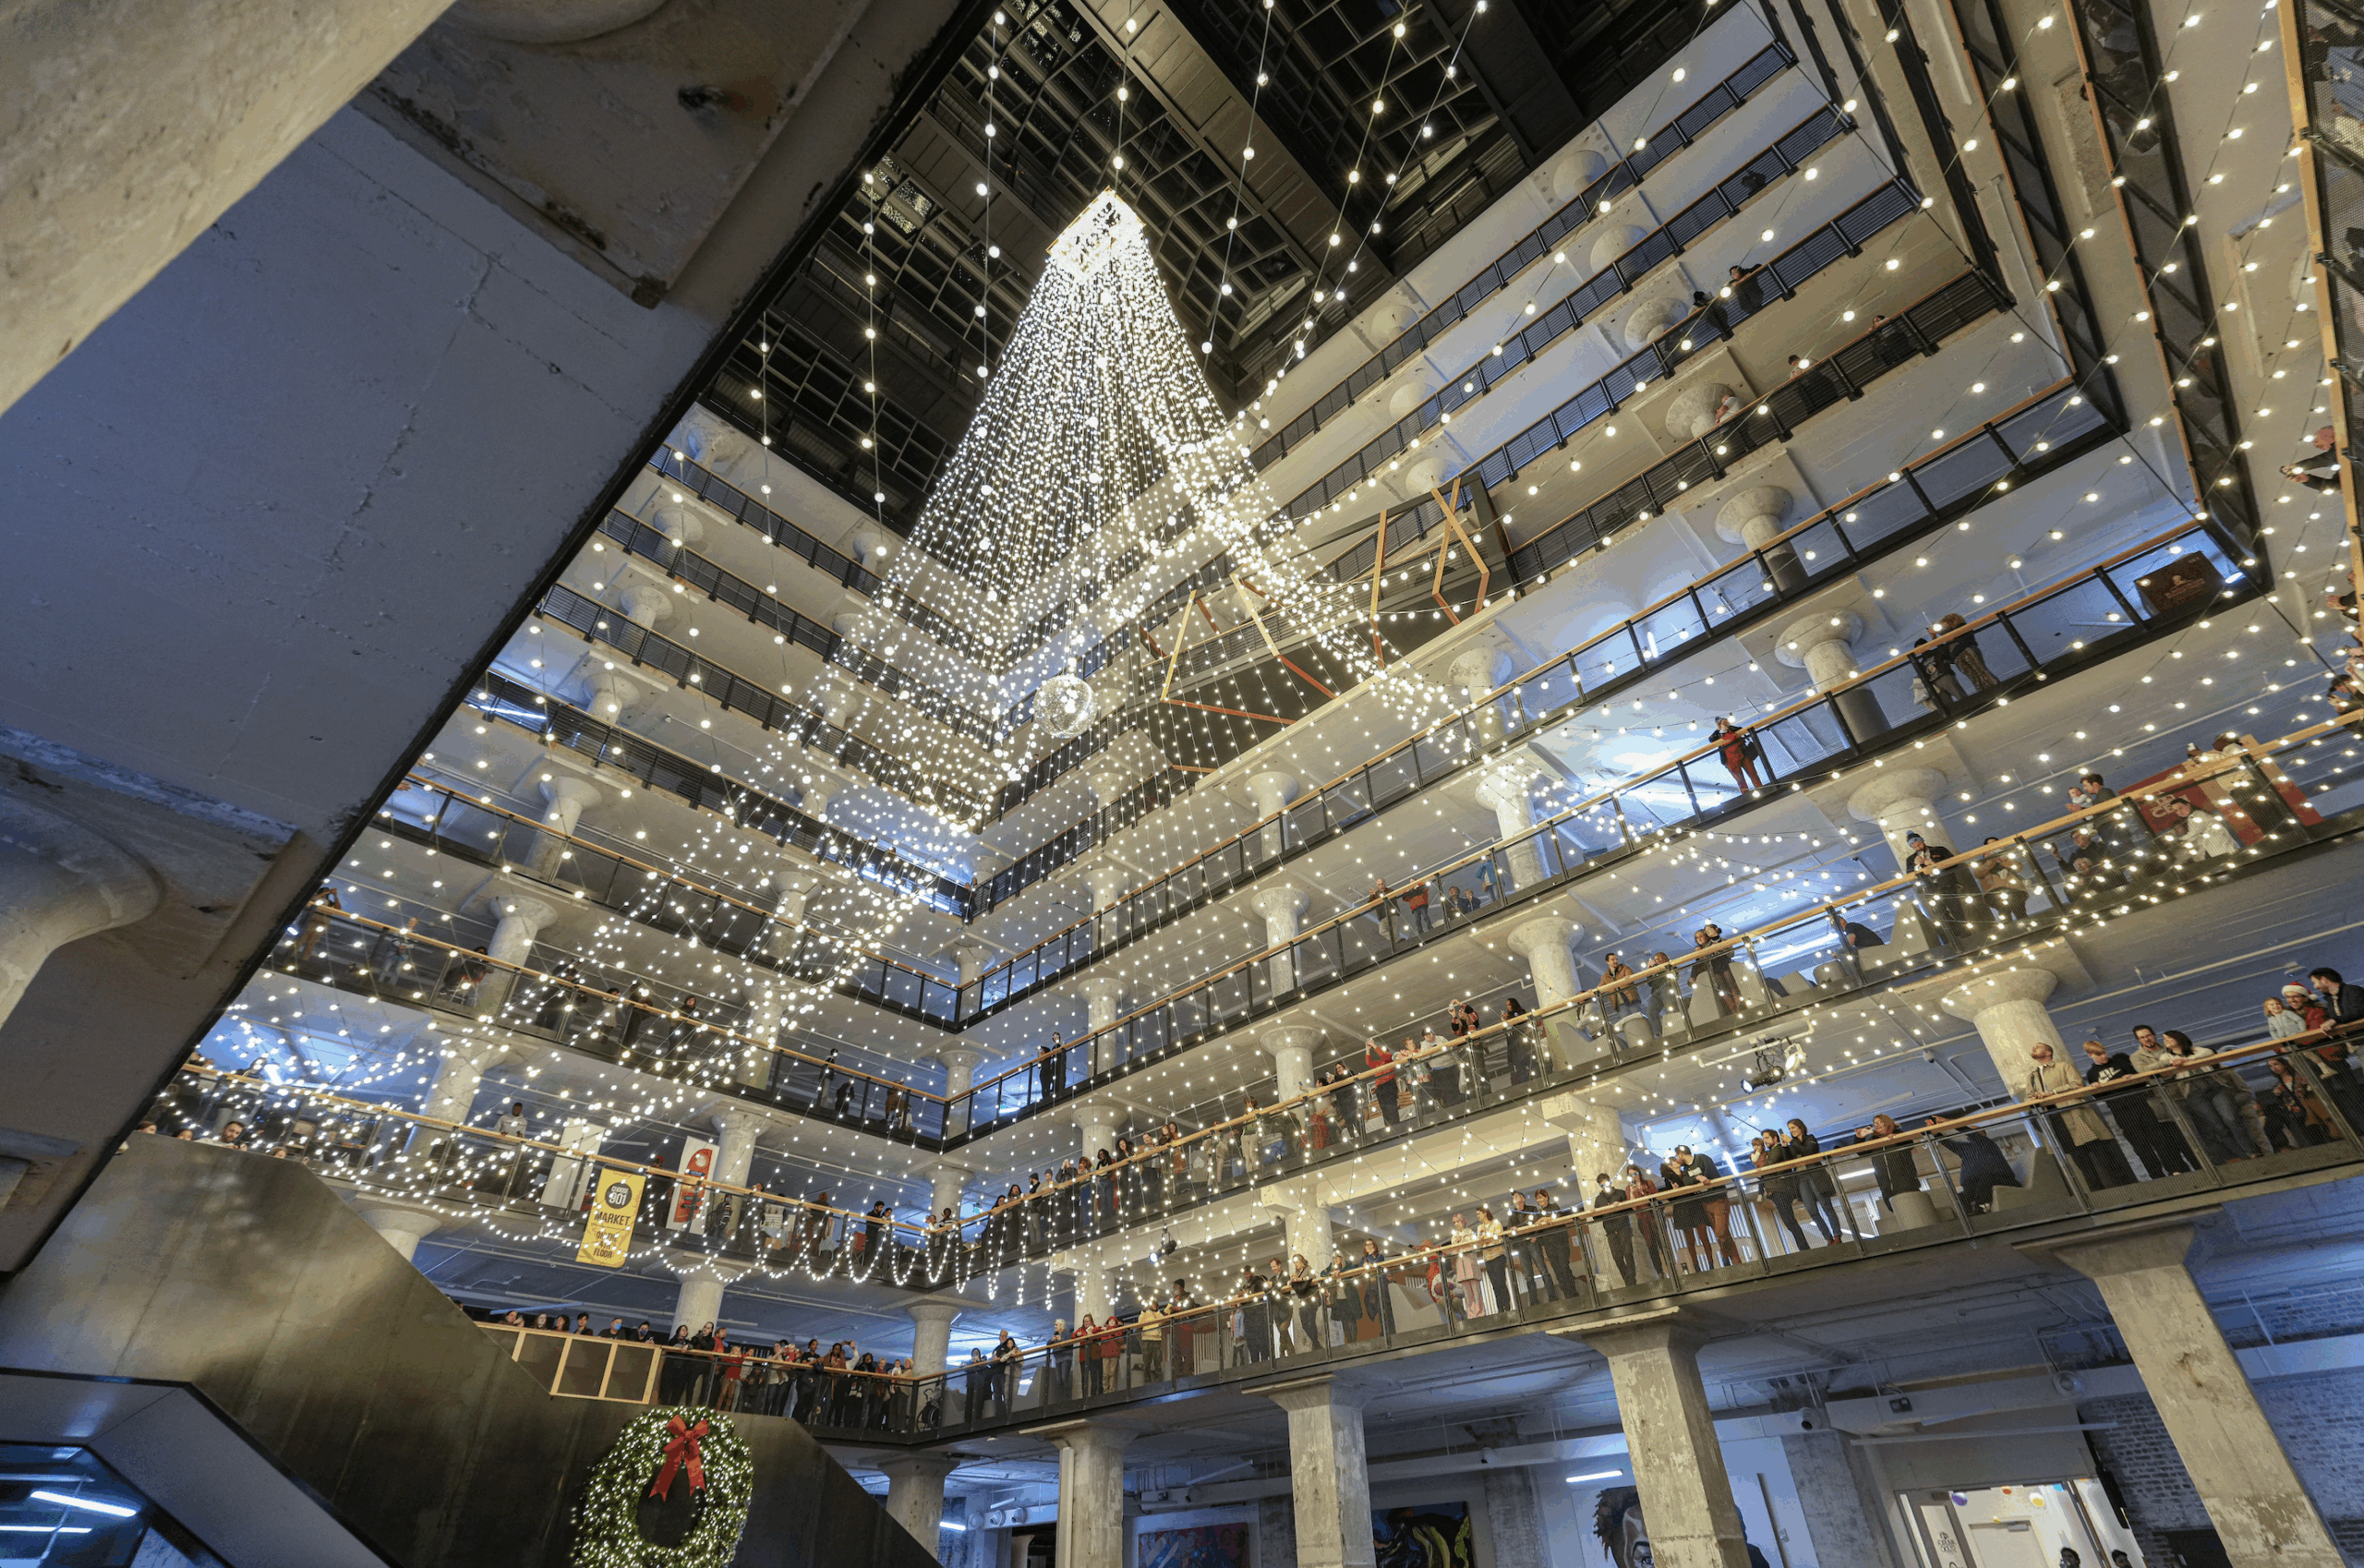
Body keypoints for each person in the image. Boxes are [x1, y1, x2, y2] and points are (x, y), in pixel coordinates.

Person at [2021, 1043, 2134, 1188]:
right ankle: (2097, 1192)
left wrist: (2053, 1093)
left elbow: (2077, 1084)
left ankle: (2123, 1186)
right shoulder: (2032, 1076)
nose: (2034, 1047)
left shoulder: (2063, 1066)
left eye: (2039, 1046)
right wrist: (2035, 1099)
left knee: (2100, 1152)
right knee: (2079, 1160)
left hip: (2075, 1114)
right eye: (2034, 1047)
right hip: (2055, 1119)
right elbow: (2028, 1099)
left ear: (2049, 1052)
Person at [2082, 1037, 2192, 1178]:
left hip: (2139, 1104)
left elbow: (2142, 1083)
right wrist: (2096, 1088)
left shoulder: (2121, 1063)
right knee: (2140, 1145)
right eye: (2098, 1055)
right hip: (2120, 1110)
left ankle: (2174, 1168)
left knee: (2157, 1137)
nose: (2103, 1056)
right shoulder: (2092, 1074)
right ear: (2090, 1055)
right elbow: (2100, 1097)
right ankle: (2156, 1174)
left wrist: (2132, 1079)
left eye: (2104, 1053)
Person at [2152, 1028, 2261, 1163]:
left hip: (2214, 1087)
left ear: (2178, 1038)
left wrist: (2189, 1060)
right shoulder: (2167, 1056)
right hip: (2193, 1092)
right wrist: (2172, 1062)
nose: (2166, 1041)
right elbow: (2161, 1066)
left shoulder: (2196, 1050)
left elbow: (2208, 1052)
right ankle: (2242, 1155)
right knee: (2218, 1126)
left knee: (2231, 1119)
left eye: (2169, 1038)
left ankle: (2252, 1151)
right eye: (2164, 1039)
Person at [1928, 1117, 2020, 1214]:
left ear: (1983, 1135)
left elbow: (1973, 1135)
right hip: (1974, 1185)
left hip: (2000, 1180)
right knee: (1960, 1197)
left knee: (1985, 1180)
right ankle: (1968, 1216)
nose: (1971, 1134)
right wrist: (1935, 1134)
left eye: (1975, 1132)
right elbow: (1949, 1144)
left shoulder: (1988, 1144)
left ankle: (1981, 1209)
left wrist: (1952, 1123)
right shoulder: (1966, 1149)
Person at [1754, 1131, 1812, 1252]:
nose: (1765, 1141)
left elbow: (1768, 1166)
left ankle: (1804, 1248)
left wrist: (1760, 1172)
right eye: (1764, 1139)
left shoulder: (1777, 1150)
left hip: (1780, 1188)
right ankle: (1804, 1248)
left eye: (1767, 1138)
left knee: (1789, 1220)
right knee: (1789, 1221)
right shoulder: (1772, 1152)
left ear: (1775, 1138)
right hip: (1777, 1188)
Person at [1934, 612, 1999, 690]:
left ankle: (1996, 687)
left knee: (1980, 670)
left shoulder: (1962, 626)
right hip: (1957, 657)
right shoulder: (1947, 639)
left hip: (1966, 650)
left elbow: (1958, 633)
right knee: (1973, 676)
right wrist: (1934, 637)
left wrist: (1943, 631)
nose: (1944, 626)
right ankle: (1984, 691)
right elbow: (1943, 650)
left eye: (1944, 623)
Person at [1827, 907, 1885, 986]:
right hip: (1874, 947)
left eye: (1836, 926)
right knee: (1846, 953)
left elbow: (1850, 942)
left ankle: (1854, 976)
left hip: (1871, 947)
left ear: (1841, 921)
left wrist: (1837, 952)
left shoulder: (1850, 926)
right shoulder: (1853, 926)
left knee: (1841, 952)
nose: (1837, 929)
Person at [1449, 1213, 1488, 1317]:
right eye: (1455, 1222)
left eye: (1458, 1221)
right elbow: (1453, 1253)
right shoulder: (1454, 1237)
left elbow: (1474, 1247)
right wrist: (1457, 1245)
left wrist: (1464, 1245)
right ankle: (1471, 1314)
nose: (1457, 1224)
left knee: (1476, 1292)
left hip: (1470, 1264)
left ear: (1463, 1221)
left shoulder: (1470, 1232)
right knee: (1467, 1294)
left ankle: (1480, 1313)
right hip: (1461, 1267)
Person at [1712, 717, 1764, 791]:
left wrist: (1728, 727)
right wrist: (1720, 729)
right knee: (1740, 781)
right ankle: (1746, 795)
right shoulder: (1718, 735)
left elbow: (1741, 729)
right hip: (1730, 760)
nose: (1725, 723)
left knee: (1753, 774)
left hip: (1743, 754)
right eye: (1722, 722)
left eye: (1725, 721)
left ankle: (1761, 789)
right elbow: (1711, 739)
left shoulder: (1733, 729)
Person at [1366, 1037, 1400, 1123]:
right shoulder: (1378, 1064)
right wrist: (1367, 1049)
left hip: (1389, 1085)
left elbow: (1384, 1056)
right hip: (1380, 1088)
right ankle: (1389, 1127)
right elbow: (1369, 1062)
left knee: (1392, 1107)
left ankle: (1397, 1126)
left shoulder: (1390, 1058)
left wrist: (1374, 1045)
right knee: (1384, 1109)